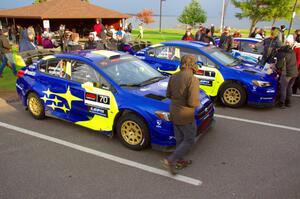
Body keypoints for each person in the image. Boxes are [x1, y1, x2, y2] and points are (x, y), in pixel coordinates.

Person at [162, 55, 200, 175]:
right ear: (192, 64)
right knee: (189, 139)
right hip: (185, 114)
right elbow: (193, 102)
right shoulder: (192, 79)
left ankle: (179, 161)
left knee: (180, 138)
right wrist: (197, 104)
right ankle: (171, 160)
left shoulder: (174, 76)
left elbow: (168, 94)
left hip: (174, 111)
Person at [276, 35, 298, 108]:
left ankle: (282, 103)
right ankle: (288, 102)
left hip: (286, 73)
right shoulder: (292, 52)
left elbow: (279, 65)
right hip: (294, 73)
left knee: (283, 88)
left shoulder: (283, 53)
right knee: (289, 87)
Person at [293, 29, 300, 94]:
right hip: (296, 65)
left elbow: (297, 59)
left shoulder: (297, 47)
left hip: (296, 65)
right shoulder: (296, 46)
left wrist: (296, 66)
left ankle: (294, 90)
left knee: (296, 79)